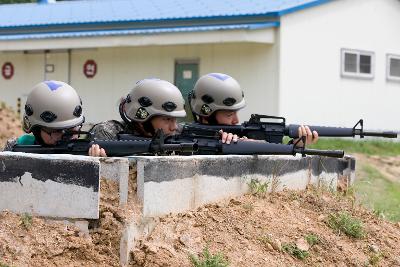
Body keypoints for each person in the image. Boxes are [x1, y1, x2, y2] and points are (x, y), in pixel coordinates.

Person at [189, 73, 319, 146]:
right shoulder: (187, 140)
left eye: (236, 113)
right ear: (207, 114)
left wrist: (295, 145)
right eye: (229, 115)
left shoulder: (234, 136)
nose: (236, 120)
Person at [89, 78, 187, 156]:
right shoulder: (108, 134)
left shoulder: (182, 135)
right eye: (167, 119)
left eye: (175, 119)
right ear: (142, 118)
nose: (174, 127)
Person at [3, 80, 85, 151]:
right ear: (36, 131)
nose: (64, 138)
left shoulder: (87, 150)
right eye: (56, 131)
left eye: (71, 130)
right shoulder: (19, 146)